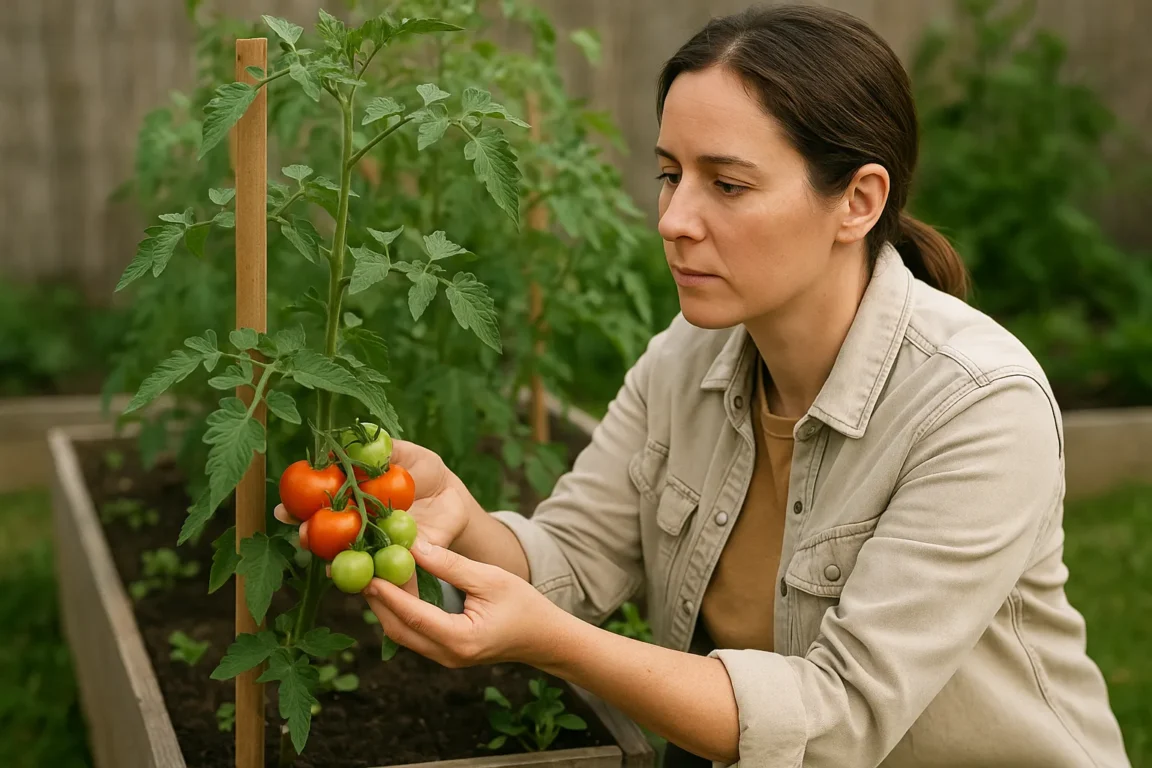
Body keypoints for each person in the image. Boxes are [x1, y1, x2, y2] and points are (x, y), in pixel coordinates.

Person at [280, 5, 1130, 766]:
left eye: (727, 184)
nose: (674, 219)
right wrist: (458, 520)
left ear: (859, 202)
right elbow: (572, 558)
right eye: (669, 173)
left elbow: (837, 719)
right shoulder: (687, 357)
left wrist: (559, 645)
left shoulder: (977, 407)